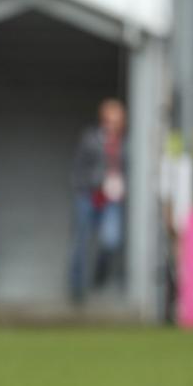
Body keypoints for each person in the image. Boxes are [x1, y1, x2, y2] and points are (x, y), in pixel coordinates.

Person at [69, 99, 127, 304]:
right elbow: (78, 169)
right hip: (89, 195)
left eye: (117, 121)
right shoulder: (90, 139)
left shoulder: (126, 143)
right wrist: (94, 183)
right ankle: (77, 289)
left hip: (112, 200)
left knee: (111, 240)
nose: (112, 125)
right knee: (80, 242)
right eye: (109, 120)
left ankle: (99, 277)